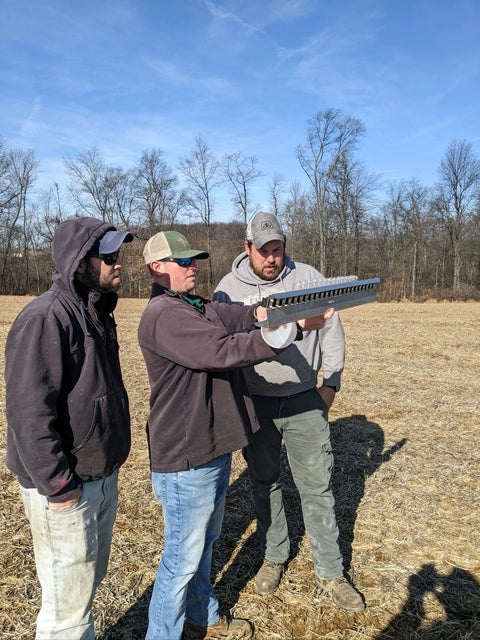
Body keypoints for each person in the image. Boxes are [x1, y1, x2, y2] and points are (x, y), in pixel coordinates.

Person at [137, 230, 331, 640]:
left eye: (194, 260)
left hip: (211, 449)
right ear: (157, 268)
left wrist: (272, 311)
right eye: (183, 262)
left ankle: (202, 617)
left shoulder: (195, 304)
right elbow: (224, 350)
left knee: (202, 547)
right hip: (186, 457)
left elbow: (239, 317)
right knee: (180, 561)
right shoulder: (165, 315)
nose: (193, 267)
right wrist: (293, 328)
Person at [213, 212, 365, 613]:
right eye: (263, 251)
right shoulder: (228, 290)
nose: (271, 258)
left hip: (303, 400)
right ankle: (274, 556)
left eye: (277, 250)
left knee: (317, 487)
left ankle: (331, 572)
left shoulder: (308, 279)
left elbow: (332, 332)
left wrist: (329, 386)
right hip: (256, 401)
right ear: (247, 248)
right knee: (264, 483)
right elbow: (220, 344)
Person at [5, 217, 133, 639]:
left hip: (98, 476)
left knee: (84, 591)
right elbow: (28, 415)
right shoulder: (44, 318)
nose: (119, 264)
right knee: (66, 613)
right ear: (80, 263)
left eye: (120, 255)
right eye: (109, 256)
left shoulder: (96, 312)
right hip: (65, 488)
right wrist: (60, 488)